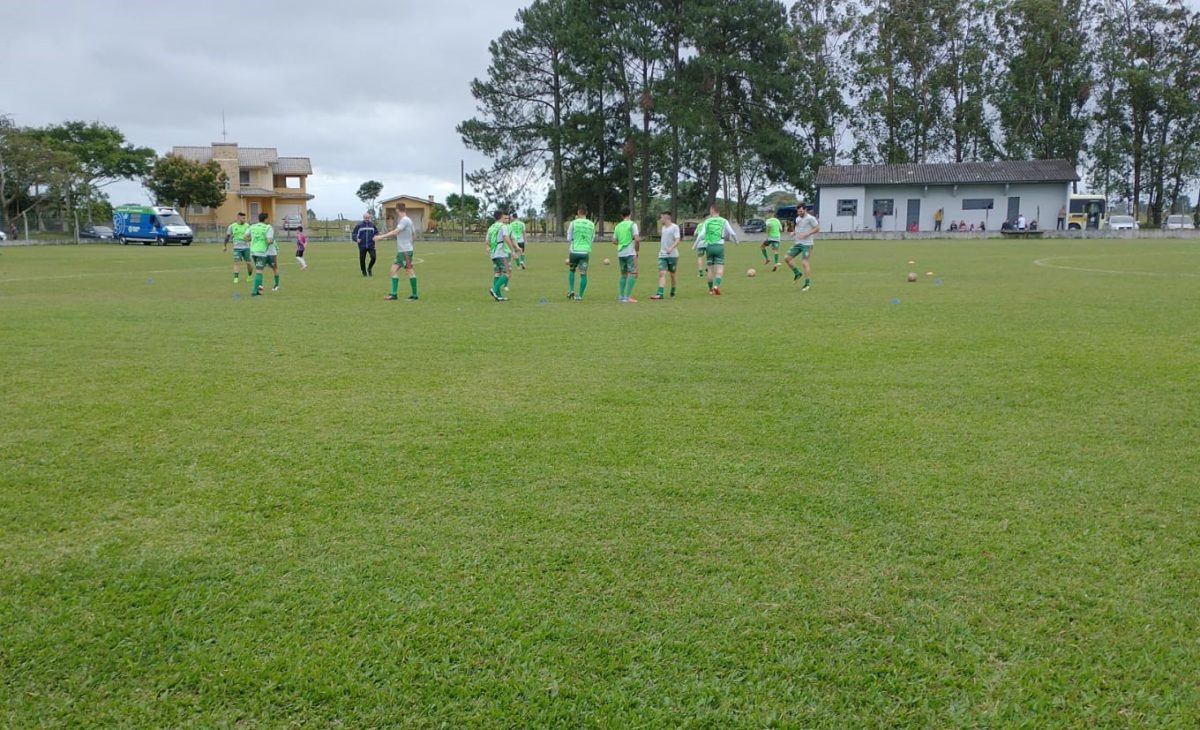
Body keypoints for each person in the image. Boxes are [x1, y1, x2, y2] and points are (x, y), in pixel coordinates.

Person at [376, 203, 418, 301]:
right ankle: (393, 294)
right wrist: (410, 244)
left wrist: (381, 237)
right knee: (393, 270)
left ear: (397, 209)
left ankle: (414, 295)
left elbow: (396, 232)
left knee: (409, 271)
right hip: (404, 251)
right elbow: (414, 234)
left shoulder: (404, 220)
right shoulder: (408, 220)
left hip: (405, 251)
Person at [698, 203, 737, 295]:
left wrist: (695, 245)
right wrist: (736, 241)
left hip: (709, 247)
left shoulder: (707, 221)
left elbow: (701, 234)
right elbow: (732, 233)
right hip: (719, 247)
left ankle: (710, 290)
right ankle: (716, 285)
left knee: (710, 269)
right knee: (720, 268)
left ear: (712, 210)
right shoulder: (724, 221)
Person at [785, 203, 819, 291]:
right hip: (798, 243)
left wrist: (807, 234)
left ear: (805, 210)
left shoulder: (811, 218)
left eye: (801, 211)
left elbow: (817, 228)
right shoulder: (798, 218)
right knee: (787, 258)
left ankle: (807, 284)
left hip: (807, 244)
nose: (799, 213)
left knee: (804, 262)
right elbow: (797, 227)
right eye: (798, 211)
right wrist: (794, 233)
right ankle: (797, 273)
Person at [245, 212, 277, 296]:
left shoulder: (252, 226)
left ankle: (259, 290)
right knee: (259, 271)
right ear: (266, 219)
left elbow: (245, 237)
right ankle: (254, 291)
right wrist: (265, 241)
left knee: (259, 270)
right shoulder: (268, 227)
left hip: (253, 251)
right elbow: (269, 241)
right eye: (268, 218)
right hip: (261, 252)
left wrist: (253, 239)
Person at [565, 207, 594, 300]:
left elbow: (568, 238)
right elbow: (592, 238)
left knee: (572, 270)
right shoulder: (591, 224)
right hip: (585, 251)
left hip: (574, 251)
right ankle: (580, 296)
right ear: (586, 213)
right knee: (583, 274)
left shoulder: (573, 223)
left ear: (578, 212)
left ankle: (571, 290)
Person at [613, 207, 640, 302]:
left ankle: (621, 296)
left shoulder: (618, 226)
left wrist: (621, 243)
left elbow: (614, 241)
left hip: (620, 253)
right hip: (630, 252)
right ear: (630, 214)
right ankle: (627, 297)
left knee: (623, 274)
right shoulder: (632, 224)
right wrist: (637, 251)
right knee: (634, 273)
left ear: (621, 215)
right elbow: (637, 239)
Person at [651, 211, 680, 300]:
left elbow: (678, 239)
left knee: (672, 274)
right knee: (661, 273)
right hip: (662, 254)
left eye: (661, 218)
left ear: (666, 218)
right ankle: (660, 293)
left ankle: (673, 290)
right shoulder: (663, 228)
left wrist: (671, 248)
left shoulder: (675, 227)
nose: (660, 220)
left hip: (673, 255)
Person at [485, 210, 513, 301]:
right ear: (501, 216)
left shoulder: (491, 227)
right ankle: (494, 289)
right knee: (507, 273)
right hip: (501, 253)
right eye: (504, 217)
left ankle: (498, 296)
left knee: (497, 273)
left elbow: (487, 242)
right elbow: (506, 237)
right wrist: (512, 249)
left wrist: (488, 249)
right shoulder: (503, 226)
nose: (505, 219)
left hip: (493, 253)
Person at [224, 211, 252, 283]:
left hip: (246, 248)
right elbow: (227, 236)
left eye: (245, 218)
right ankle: (236, 278)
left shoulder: (248, 226)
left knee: (248, 263)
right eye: (243, 218)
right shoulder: (232, 226)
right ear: (238, 217)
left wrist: (248, 239)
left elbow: (252, 237)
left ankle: (249, 276)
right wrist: (225, 246)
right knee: (236, 262)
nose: (244, 219)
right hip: (236, 248)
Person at [351, 211, 379, 277]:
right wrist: (356, 239)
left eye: (368, 218)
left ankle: (369, 268)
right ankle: (364, 272)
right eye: (366, 218)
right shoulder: (359, 225)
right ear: (363, 218)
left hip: (371, 245)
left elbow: (376, 233)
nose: (367, 219)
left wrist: (375, 237)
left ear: (370, 218)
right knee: (362, 259)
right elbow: (354, 234)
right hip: (362, 245)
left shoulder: (372, 225)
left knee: (373, 257)